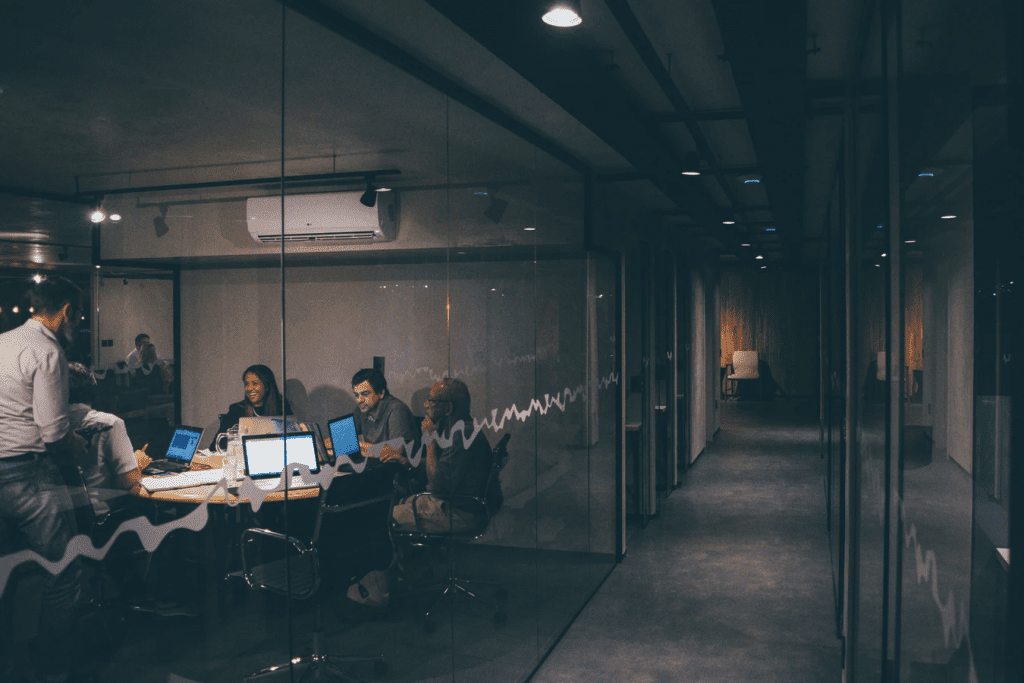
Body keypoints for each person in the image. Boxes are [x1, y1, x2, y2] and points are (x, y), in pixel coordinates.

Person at [0, 276, 86, 683]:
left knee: (6, 577)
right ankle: (56, 673)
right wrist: (77, 442)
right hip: (28, 473)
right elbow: (52, 430)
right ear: (66, 311)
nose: (78, 322)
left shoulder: (3, 342)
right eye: (78, 315)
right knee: (64, 573)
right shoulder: (47, 350)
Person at [347, 378, 493, 608]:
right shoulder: (463, 429)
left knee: (380, 520)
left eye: (432, 401)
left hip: (458, 511)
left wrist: (432, 441)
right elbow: (441, 469)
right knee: (397, 505)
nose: (426, 405)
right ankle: (404, 575)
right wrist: (406, 461)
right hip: (460, 505)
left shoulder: (460, 436)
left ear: (448, 408)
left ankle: (377, 595)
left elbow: (436, 485)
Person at [67, 363, 153, 515]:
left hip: (63, 518)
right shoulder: (108, 424)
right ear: (93, 390)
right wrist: (137, 463)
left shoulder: (45, 427)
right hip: (102, 516)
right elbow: (127, 481)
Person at [208, 364, 292, 450]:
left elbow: (291, 443)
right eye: (246, 384)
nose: (249, 388)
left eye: (255, 383)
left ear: (267, 386)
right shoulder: (237, 410)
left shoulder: (282, 409)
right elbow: (214, 447)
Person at [348, 368, 419, 466]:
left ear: (381, 393)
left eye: (365, 394)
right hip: (378, 467)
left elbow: (394, 452)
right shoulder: (362, 408)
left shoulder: (396, 410)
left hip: (400, 472)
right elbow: (344, 440)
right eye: (356, 395)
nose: (359, 400)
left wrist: (354, 445)